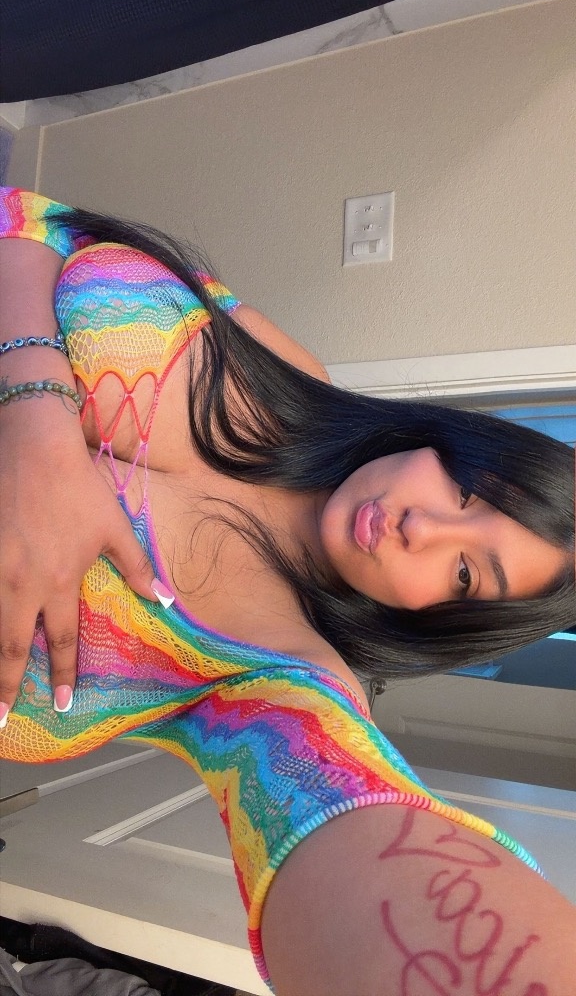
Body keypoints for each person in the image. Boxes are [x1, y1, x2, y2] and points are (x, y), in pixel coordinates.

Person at [0, 186, 574, 995]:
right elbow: (34, 222)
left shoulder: (282, 677)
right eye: (467, 488)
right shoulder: (291, 371)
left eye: (465, 572)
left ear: (439, 620)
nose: (425, 525)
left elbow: (346, 815)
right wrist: (32, 408)